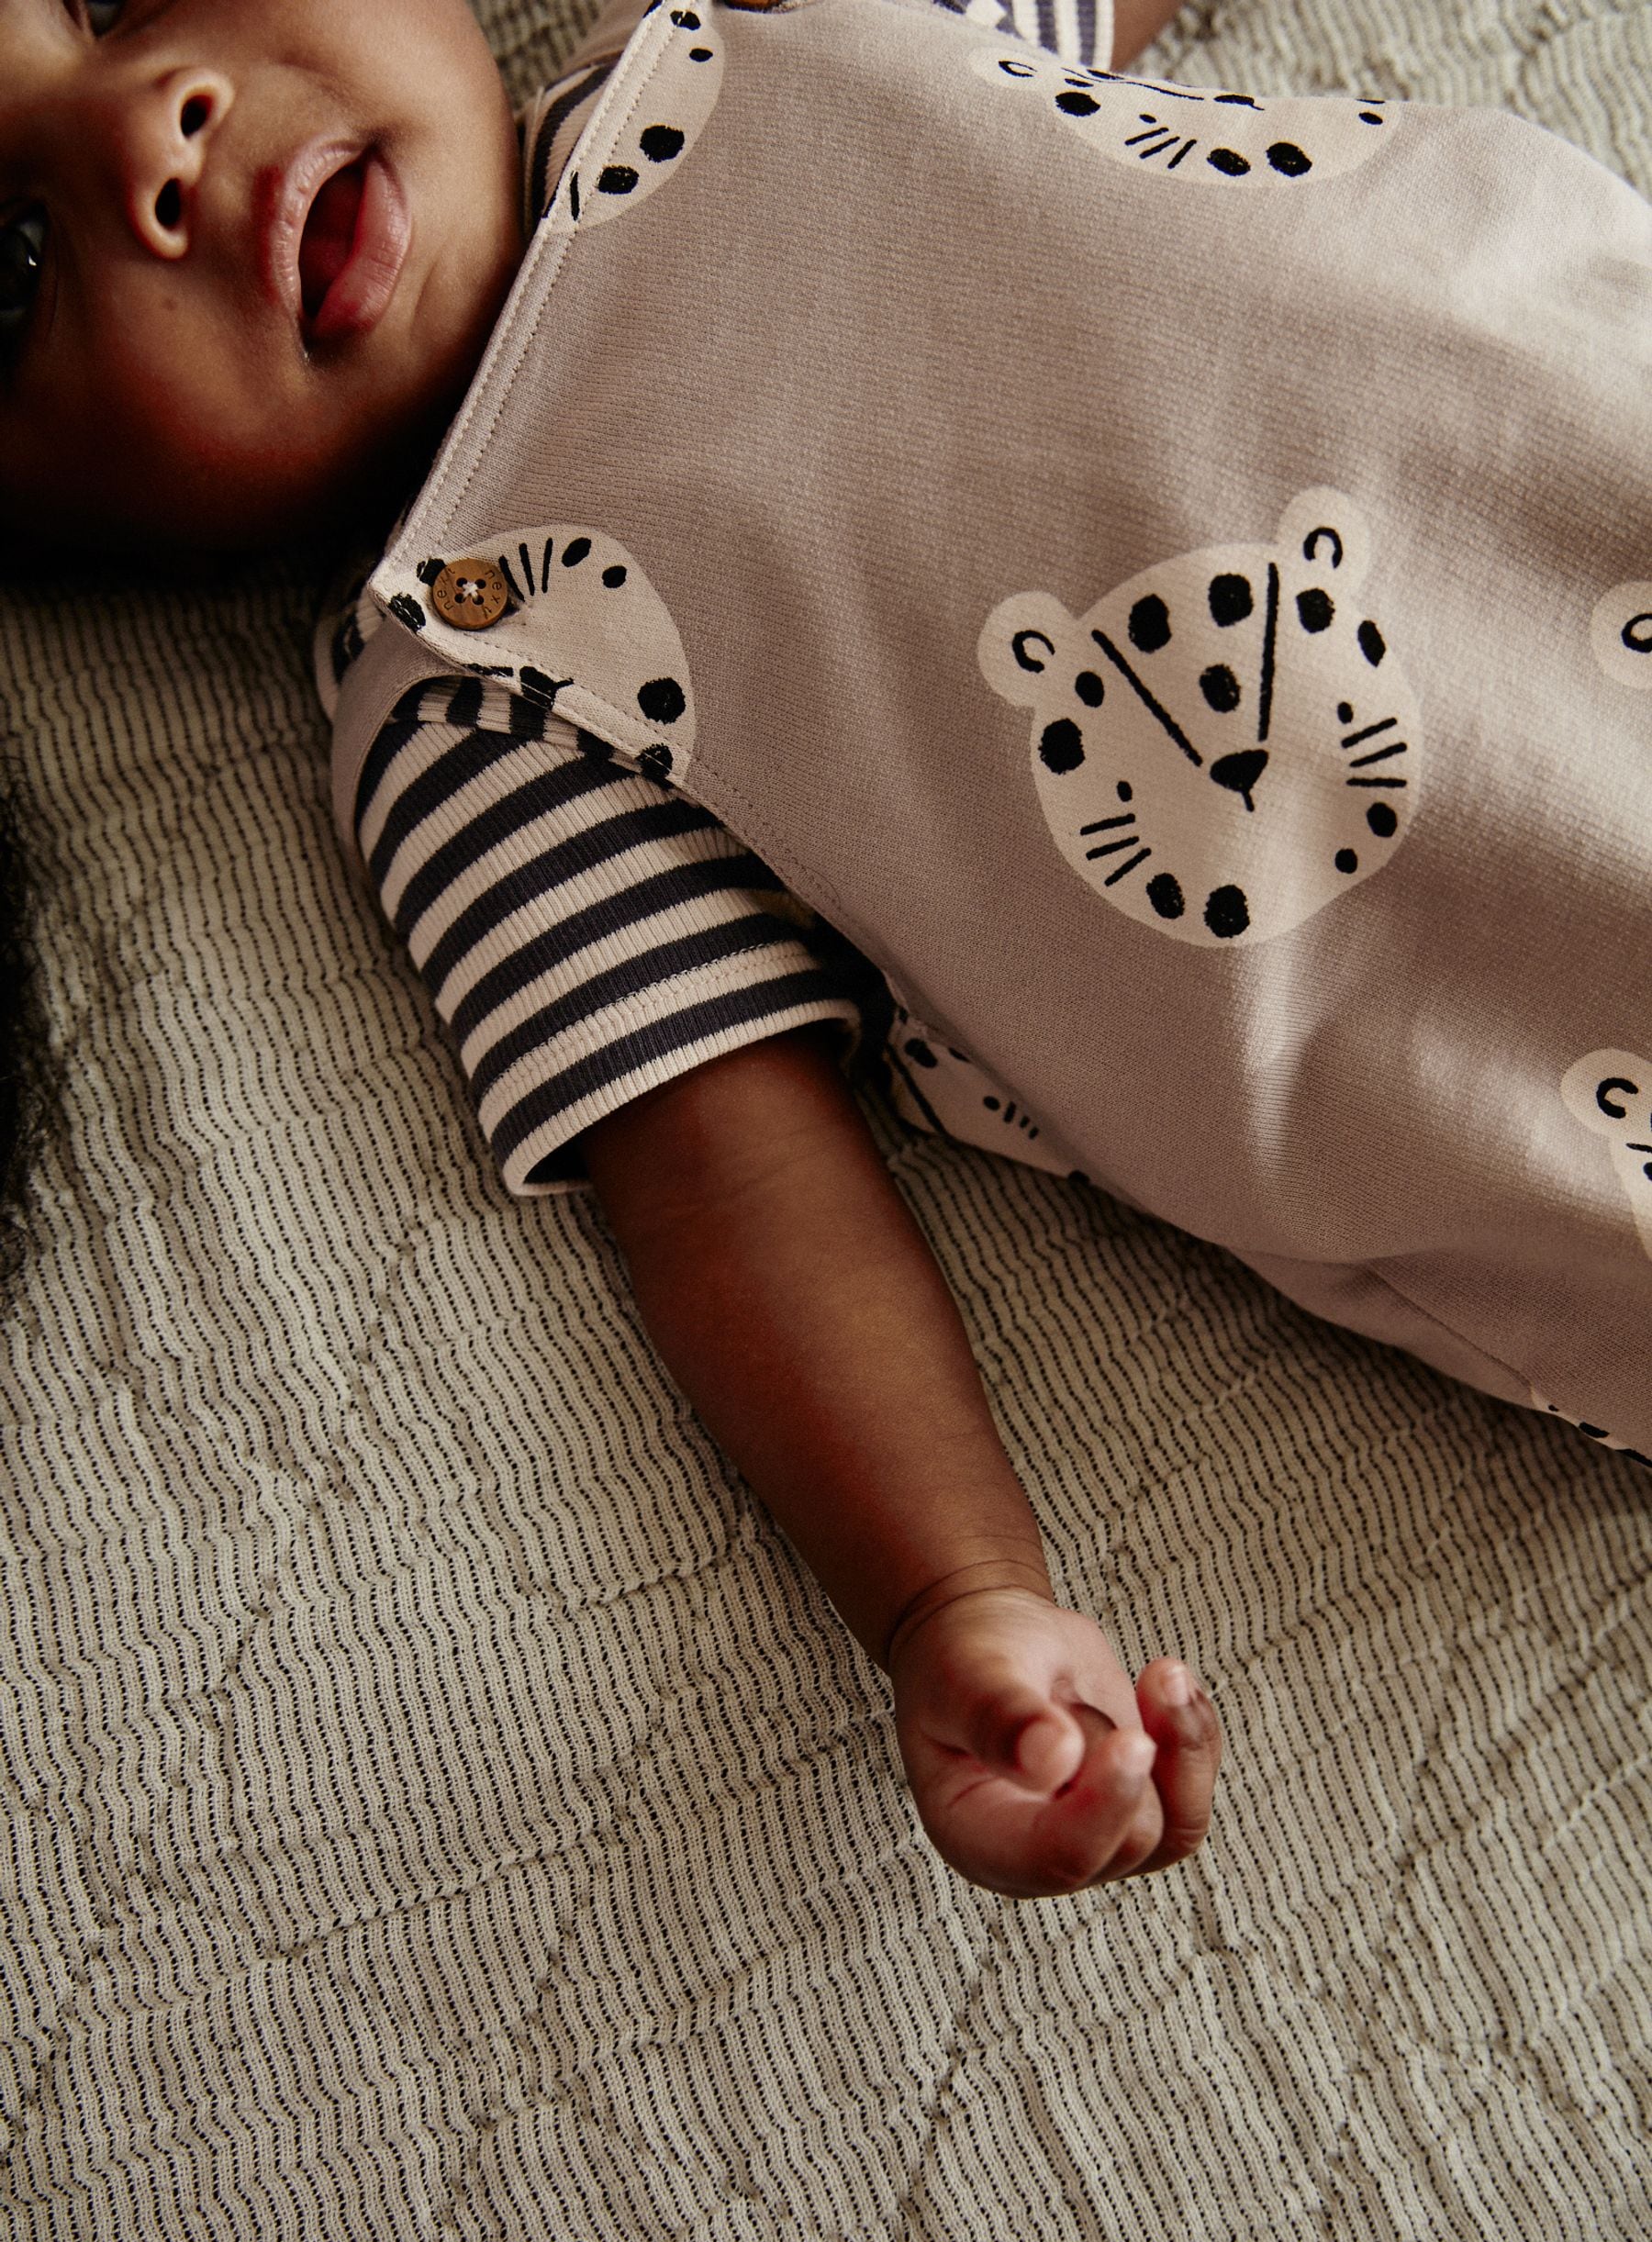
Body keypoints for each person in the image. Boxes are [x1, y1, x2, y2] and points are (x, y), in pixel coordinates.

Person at [4, 0, 1648, 1896]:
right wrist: (953, 1590)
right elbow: (728, 1179)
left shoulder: (775, 27)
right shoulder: (462, 696)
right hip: (1487, 1016)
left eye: (115, 0)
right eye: (14, 258)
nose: (154, 124)